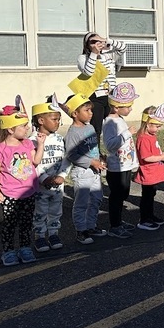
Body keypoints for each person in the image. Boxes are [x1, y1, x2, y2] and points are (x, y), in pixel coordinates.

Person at [0, 97, 45, 267]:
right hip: (9, 194)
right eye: (23, 126)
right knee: (9, 225)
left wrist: (41, 144)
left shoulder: (28, 143)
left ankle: (25, 248)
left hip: (28, 191)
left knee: (26, 223)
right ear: (10, 129)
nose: (27, 128)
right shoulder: (1, 148)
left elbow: (35, 161)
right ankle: (8, 251)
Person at [62, 92, 107, 244]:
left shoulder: (91, 127)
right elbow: (71, 154)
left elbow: (94, 147)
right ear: (75, 113)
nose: (91, 113)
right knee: (81, 202)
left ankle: (91, 225)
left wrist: (100, 157)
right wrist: (91, 162)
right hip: (82, 172)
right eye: (86, 110)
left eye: (91, 110)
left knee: (96, 199)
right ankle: (81, 230)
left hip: (95, 171)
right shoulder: (73, 133)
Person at [30, 95, 70, 252]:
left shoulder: (60, 139)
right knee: (39, 212)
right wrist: (44, 178)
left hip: (57, 186)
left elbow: (66, 159)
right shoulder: (33, 140)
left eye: (59, 119)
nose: (58, 123)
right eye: (54, 119)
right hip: (41, 187)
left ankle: (53, 233)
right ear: (41, 120)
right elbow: (32, 163)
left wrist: (62, 175)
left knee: (55, 211)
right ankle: (39, 236)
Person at [102, 82, 139, 237]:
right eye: (128, 106)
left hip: (125, 165)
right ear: (116, 107)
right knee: (117, 196)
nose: (130, 109)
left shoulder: (120, 119)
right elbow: (110, 145)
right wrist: (127, 133)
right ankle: (114, 225)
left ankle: (119, 221)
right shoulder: (110, 122)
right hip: (116, 167)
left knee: (123, 194)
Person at [77, 32, 127, 139]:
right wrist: (94, 54)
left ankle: (118, 149)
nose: (96, 44)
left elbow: (123, 48)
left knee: (116, 125)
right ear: (87, 45)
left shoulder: (109, 55)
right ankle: (96, 153)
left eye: (98, 41)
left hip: (111, 96)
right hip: (96, 97)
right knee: (96, 127)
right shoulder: (83, 58)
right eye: (93, 42)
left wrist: (107, 40)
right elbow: (88, 73)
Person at [134, 104, 164, 229]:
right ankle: (144, 219)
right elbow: (146, 157)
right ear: (147, 123)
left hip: (153, 173)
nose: (158, 129)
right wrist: (162, 157)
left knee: (151, 195)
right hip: (148, 173)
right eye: (156, 126)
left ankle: (150, 215)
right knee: (146, 197)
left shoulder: (151, 136)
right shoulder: (143, 138)